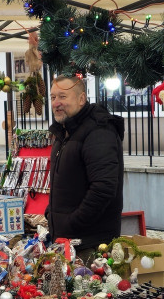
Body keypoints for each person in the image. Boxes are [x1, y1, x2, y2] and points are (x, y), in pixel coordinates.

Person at [46, 75, 125, 256]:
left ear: (81, 99)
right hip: (69, 241)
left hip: (90, 244)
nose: (56, 103)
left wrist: (72, 223)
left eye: (63, 97)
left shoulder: (98, 132)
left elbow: (103, 188)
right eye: (53, 97)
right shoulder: (65, 132)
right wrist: (51, 214)